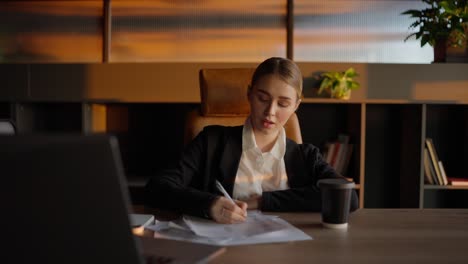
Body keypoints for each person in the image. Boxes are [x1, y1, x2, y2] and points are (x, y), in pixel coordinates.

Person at [145, 57, 358, 224]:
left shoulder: (306, 155)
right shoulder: (211, 141)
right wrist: (209, 204)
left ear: (296, 106)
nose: (270, 112)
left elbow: (348, 197)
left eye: (283, 104)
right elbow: (157, 187)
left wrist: (262, 201)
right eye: (262, 99)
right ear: (249, 94)